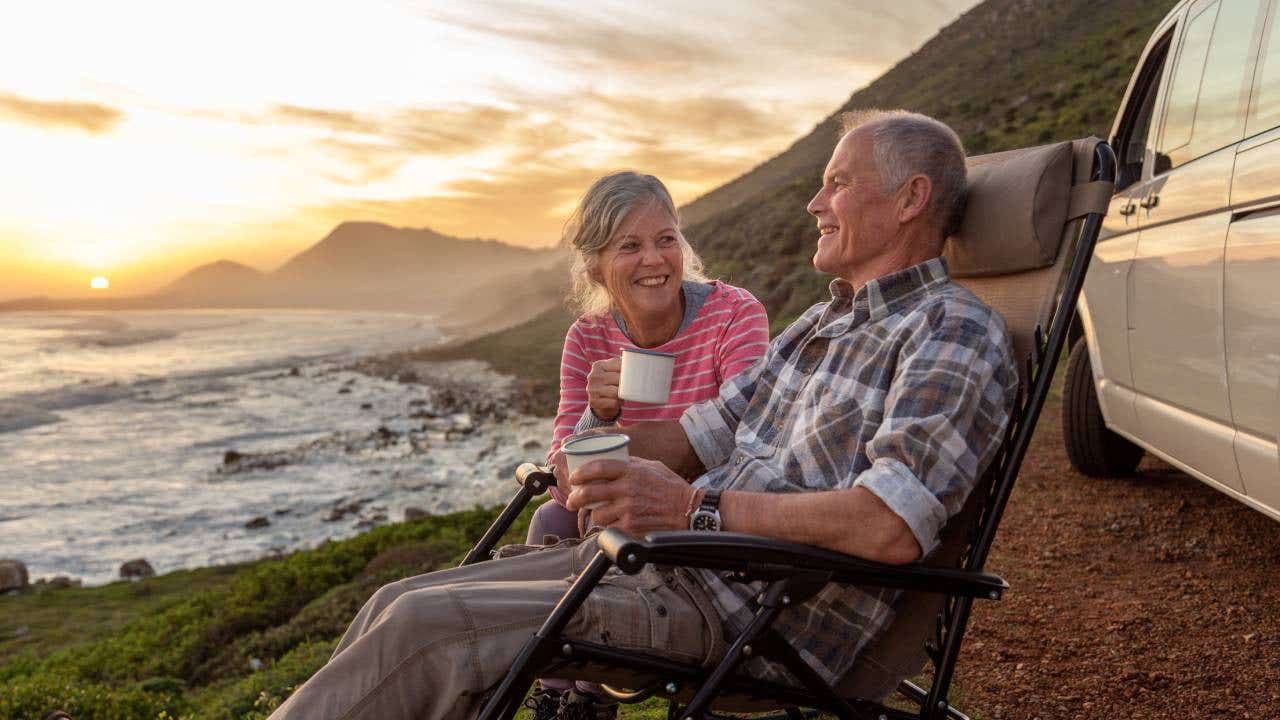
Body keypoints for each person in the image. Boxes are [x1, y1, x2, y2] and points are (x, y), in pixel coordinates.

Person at [266, 109, 1019, 720]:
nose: (813, 203)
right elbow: (694, 436)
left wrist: (694, 506)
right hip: (675, 565)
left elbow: (890, 525)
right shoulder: (824, 326)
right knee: (397, 598)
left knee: (426, 635)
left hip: (752, 613)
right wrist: (597, 446)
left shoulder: (950, 331)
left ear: (911, 199)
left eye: (837, 184)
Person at [530, 171, 770, 546]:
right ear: (595, 267)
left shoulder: (734, 314)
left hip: (701, 515)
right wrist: (599, 415)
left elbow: (752, 441)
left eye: (666, 240)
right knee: (550, 517)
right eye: (629, 247)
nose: (654, 259)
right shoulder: (586, 337)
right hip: (613, 518)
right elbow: (562, 484)